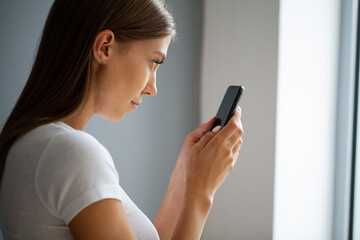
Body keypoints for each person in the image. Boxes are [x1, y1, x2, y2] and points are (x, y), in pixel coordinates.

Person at [0, 0, 244, 239]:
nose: (153, 88)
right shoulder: (72, 153)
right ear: (105, 47)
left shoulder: (29, 142)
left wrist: (185, 174)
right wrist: (202, 194)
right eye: (154, 62)